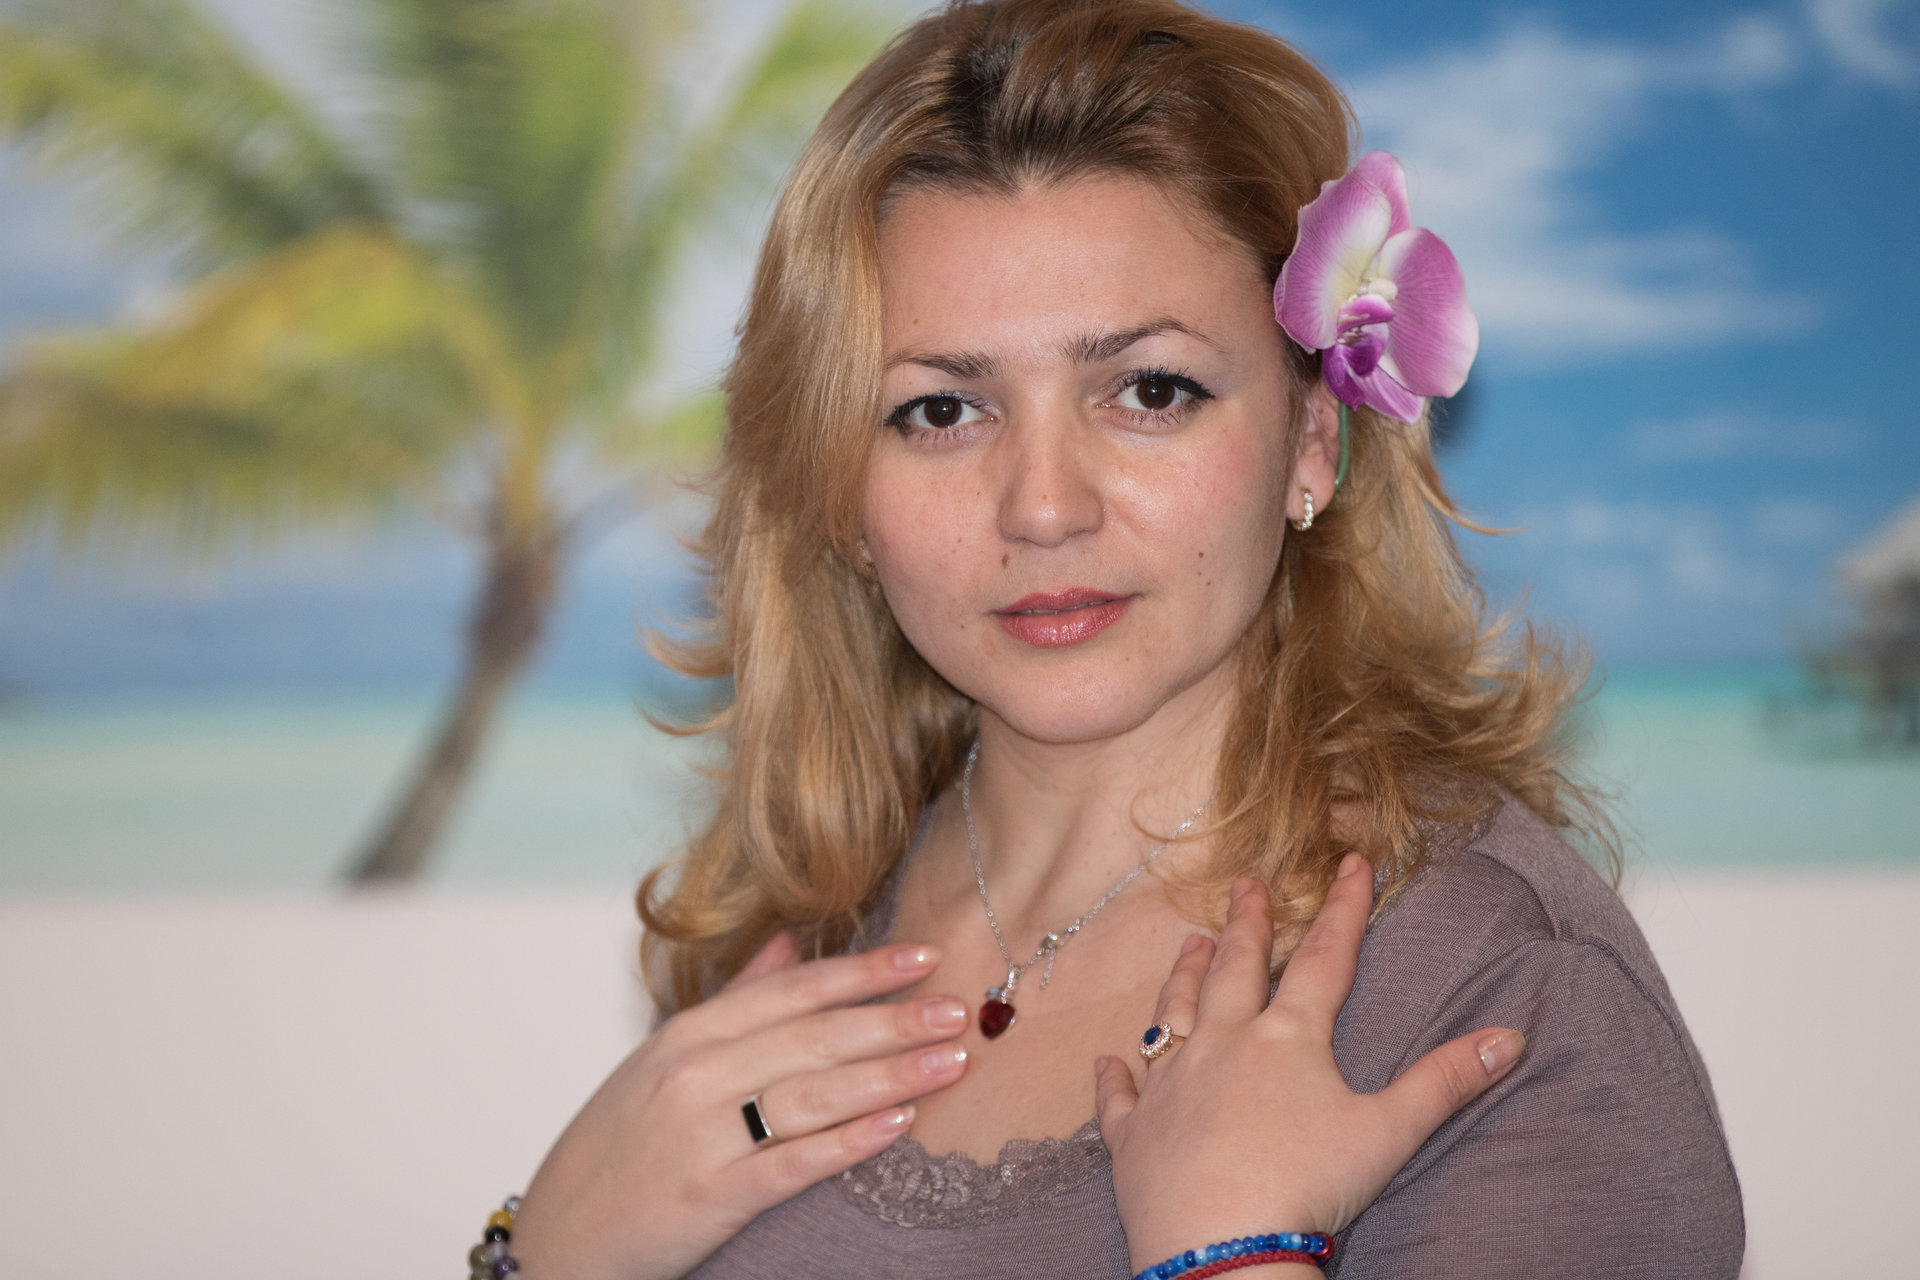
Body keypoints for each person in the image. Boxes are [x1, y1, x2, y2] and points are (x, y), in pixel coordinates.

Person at [493, 1, 1744, 1276]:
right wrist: (540, 1253)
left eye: (1150, 390)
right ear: (839, 489)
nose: (1044, 506)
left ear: (1313, 441)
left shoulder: (1498, 993)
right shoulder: (804, 906)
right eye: (940, 410)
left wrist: (1237, 1254)